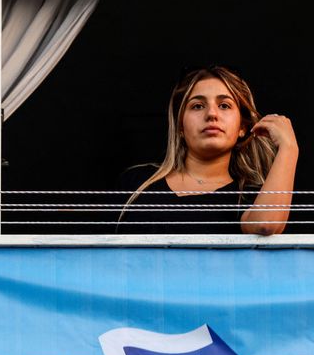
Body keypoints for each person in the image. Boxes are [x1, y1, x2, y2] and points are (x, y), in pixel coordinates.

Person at [116, 65, 298, 235]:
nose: (211, 114)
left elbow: (265, 224)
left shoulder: (249, 196)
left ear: (242, 127)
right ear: (180, 125)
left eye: (224, 105)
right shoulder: (137, 183)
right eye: (197, 106)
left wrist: (289, 148)